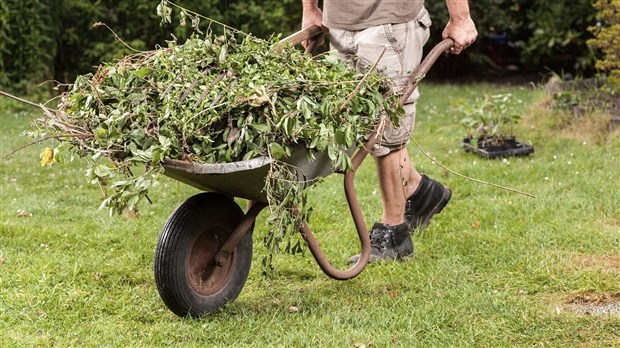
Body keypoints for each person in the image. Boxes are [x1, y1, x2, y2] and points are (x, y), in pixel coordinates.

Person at [301, 0, 478, 263]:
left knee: (386, 128)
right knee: (364, 126)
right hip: (339, 23)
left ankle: (395, 232)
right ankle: (420, 190)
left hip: (390, 22)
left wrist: (461, 17)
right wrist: (310, 9)